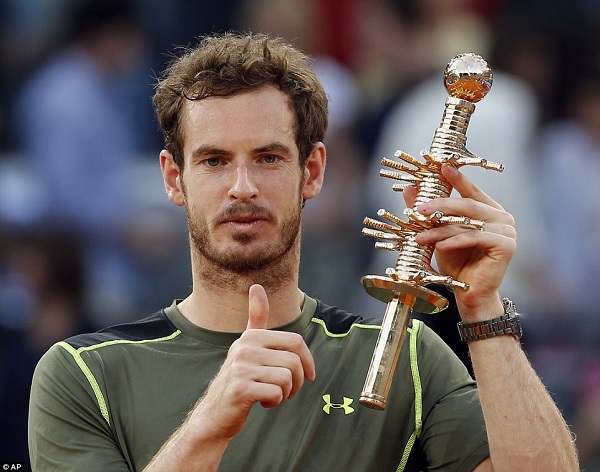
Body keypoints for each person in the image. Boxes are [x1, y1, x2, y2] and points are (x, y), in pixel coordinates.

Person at [28, 32, 578, 471]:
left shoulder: (408, 359)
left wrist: (483, 308)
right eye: (214, 161)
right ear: (174, 179)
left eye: (268, 158)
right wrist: (209, 424)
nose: (242, 187)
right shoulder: (84, 374)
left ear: (312, 171)